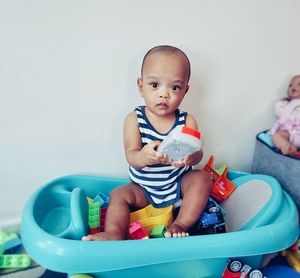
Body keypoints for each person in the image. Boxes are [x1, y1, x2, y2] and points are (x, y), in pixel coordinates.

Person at [82, 45, 212, 241]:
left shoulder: (187, 121)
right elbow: (131, 156)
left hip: (178, 185)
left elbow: (197, 153)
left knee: (201, 178)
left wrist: (191, 157)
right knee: (118, 194)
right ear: (140, 86)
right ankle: (114, 233)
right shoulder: (134, 119)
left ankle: (181, 223)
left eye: (174, 87)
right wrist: (144, 156)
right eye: (154, 85)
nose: (164, 94)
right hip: (143, 189)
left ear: (185, 90)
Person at [269, 75, 300, 155]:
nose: (294, 86)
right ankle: (288, 147)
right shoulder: (286, 104)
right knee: (276, 136)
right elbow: (280, 112)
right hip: (289, 134)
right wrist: (281, 103)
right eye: (290, 85)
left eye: (299, 84)